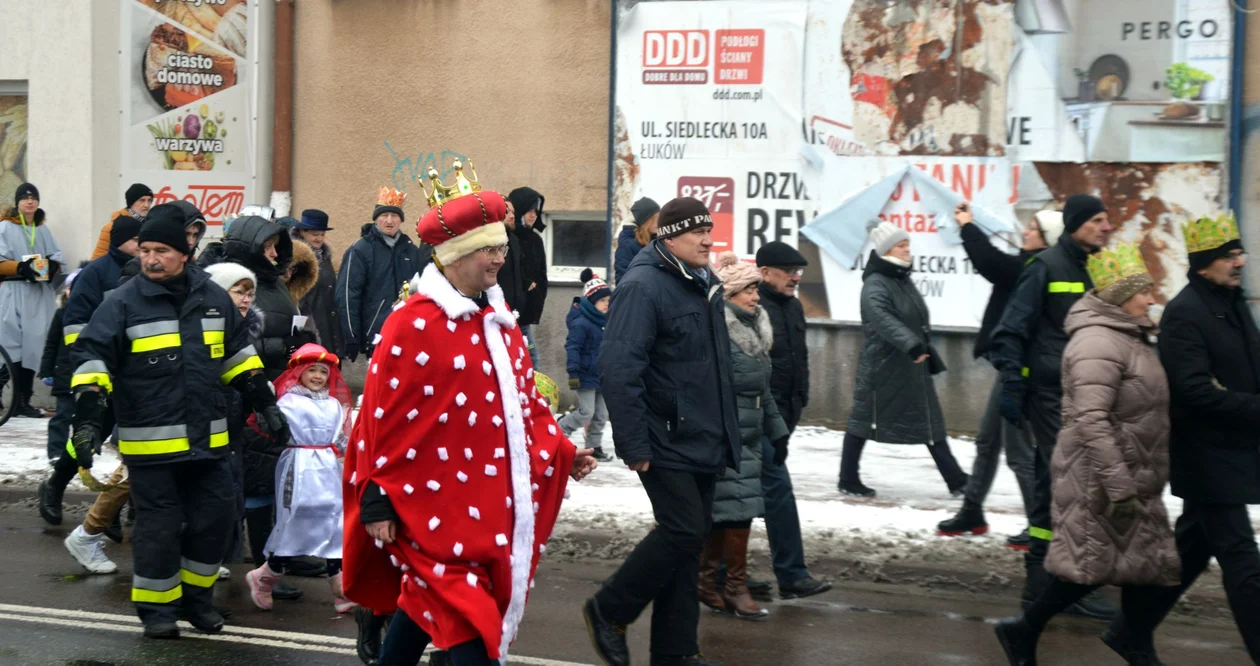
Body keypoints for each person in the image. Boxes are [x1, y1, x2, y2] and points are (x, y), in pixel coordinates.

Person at [342, 162, 596, 665]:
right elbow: (379, 421)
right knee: (471, 621)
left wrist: (563, 451)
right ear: (456, 255)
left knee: (424, 604)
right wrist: (376, 499)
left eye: (502, 247)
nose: (501, 258)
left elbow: (525, 405)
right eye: (490, 249)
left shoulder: (499, 325)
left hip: (484, 504)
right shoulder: (410, 324)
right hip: (424, 506)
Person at [66, 203, 290, 638]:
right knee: (160, 528)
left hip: (208, 441)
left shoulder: (211, 298)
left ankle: (196, 602)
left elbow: (238, 355)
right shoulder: (122, 303)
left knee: (214, 521)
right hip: (151, 446)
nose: (150, 258)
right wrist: (90, 420)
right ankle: (157, 611)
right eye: (146, 249)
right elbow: (92, 361)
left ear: (184, 252)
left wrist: (264, 402)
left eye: (161, 250)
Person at [994, 243, 1177, 665]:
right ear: (1119, 296)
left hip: (1133, 474)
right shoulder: (1097, 343)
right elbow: (1091, 420)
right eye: (1143, 292)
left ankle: (1128, 643)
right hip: (1106, 480)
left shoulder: (1129, 337)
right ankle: (1025, 629)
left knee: (1138, 567)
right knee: (1104, 568)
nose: (1151, 299)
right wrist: (1120, 487)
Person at [585, 196, 740, 666]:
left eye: (709, 231)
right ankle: (609, 608)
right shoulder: (642, 285)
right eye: (698, 232)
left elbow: (711, 366)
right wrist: (633, 442)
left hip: (703, 434)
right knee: (683, 529)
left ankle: (676, 652)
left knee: (689, 542)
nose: (708, 240)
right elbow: (617, 367)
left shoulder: (702, 281)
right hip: (663, 436)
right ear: (669, 236)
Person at [1103, 213, 1260, 662]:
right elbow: (1194, 391)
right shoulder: (1185, 314)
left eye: (1239, 252)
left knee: (1193, 548)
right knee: (1242, 562)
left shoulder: (1231, 303)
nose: (1240, 262)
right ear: (1205, 263)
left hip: (1233, 448)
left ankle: (1129, 631)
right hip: (1206, 455)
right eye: (1230, 256)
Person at [989, 194, 1116, 619]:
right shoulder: (1045, 267)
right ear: (1076, 223)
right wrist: (1012, 383)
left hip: (1084, 395)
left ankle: (1042, 589)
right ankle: (1070, 586)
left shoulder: (1094, 266)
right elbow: (1009, 331)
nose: (1106, 227)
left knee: (1052, 484)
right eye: (1098, 220)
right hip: (1050, 395)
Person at [936, 206, 1061, 546]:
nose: (1027, 231)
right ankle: (973, 511)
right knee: (988, 443)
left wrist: (966, 225)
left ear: (1047, 237)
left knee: (1019, 452)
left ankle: (1040, 526)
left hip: (1020, 372)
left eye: (1033, 228)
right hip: (1009, 367)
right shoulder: (1031, 264)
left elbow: (989, 262)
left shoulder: (1034, 268)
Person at [838, 220, 968, 498]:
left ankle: (956, 479)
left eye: (908, 244)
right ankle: (848, 478)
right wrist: (911, 343)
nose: (908, 250)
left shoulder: (900, 279)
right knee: (863, 420)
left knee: (929, 421)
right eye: (901, 245)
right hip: (882, 366)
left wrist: (916, 346)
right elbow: (883, 319)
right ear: (887, 250)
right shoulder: (875, 284)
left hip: (909, 364)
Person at [695, 252, 789, 620]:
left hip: (750, 434)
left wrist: (777, 430)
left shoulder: (754, 327)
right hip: (727, 436)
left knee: (733, 511)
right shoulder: (719, 332)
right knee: (737, 511)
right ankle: (733, 586)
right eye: (748, 289)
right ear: (729, 295)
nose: (756, 296)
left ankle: (708, 581)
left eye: (756, 289)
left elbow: (761, 391)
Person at [245, 343, 355, 614]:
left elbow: (340, 437)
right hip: (299, 466)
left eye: (323, 371)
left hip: (327, 468)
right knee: (296, 522)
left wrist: (351, 454)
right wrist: (264, 404)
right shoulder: (288, 401)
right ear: (300, 372)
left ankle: (340, 588)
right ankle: (265, 576)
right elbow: (269, 426)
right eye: (312, 370)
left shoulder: (332, 404)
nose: (318, 376)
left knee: (334, 522)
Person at [752, 241, 832, 600]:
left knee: (744, 499)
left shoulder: (794, 307)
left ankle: (723, 573)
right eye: (788, 272)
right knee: (777, 492)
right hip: (756, 419)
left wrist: (800, 401)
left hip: (784, 418)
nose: (795, 278)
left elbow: (798, 362)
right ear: (765, 272)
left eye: (799, 272)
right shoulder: (753, 306)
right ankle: (791, 574)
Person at [201, 214, 312, 377]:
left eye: (275, 246)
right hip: (248, 382)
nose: (274, 253)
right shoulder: (230, 283)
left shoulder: (273, 279)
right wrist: (281, 346)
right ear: (250, 248)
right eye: (268, 246)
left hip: (278, 379)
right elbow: (229, 345)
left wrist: (302, 339)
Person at [335, 187, 425, 363]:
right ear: (376, 219)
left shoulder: (411, 251)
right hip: (376, 335)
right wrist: (352, 337)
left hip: (409, 333)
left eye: (395, 216)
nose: (389, 221)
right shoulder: (360, 249)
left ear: (401, 220)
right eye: (384, 215)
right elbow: (347, 295)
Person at [0, 182, 63, 418]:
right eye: (25, 198)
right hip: (14, 291)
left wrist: (52, 266)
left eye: (33, 198)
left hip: (38, 293)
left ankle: (23, 399)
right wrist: (19, 267)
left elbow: (56, 256)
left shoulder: (42, 229)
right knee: (10, 344)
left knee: (33, 347)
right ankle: (7, 396)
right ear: (17, 203)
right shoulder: (5, 227)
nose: (29, 201)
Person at [559, 269, 612, 462]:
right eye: (602, 301)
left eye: (608, 301)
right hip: (584, 375)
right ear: (591, 302)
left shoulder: (606, 322)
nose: (607, 304)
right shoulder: (582, 323)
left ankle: (594, 446)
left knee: (601, 415)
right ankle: (559, 432)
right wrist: (573, 372)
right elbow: (572, 346)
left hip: (602, 376)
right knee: (586, 412)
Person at [506, 187, 549, 367]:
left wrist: (537, 291)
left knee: (530, 361)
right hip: (511, 313)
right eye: (530, 210)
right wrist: (524, 283)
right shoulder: (508, 238)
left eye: (536, 211)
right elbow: (508, 271)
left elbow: (541, 273)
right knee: (532, 362)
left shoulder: (535, 240)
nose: (534, 215)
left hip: (525, 314)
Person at [292, 209, 343, 356]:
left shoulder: (324, 257)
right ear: (302, 232)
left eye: (322, 234)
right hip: (310, 326)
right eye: (314, 234)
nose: (319, 238)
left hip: (328, 323)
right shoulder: (297, 259)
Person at [93, 183, 153, 260]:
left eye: (149, 200)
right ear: (131, 202)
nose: (146, 205)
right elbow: (97, 259)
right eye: (142, 200)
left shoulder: (151, 225)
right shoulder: (112, 227)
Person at [615, 197, 659, 284]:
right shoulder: (627, 245)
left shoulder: (656, 240)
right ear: (647, 221)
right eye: (656, 218)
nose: (660, 222)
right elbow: (622, 280)